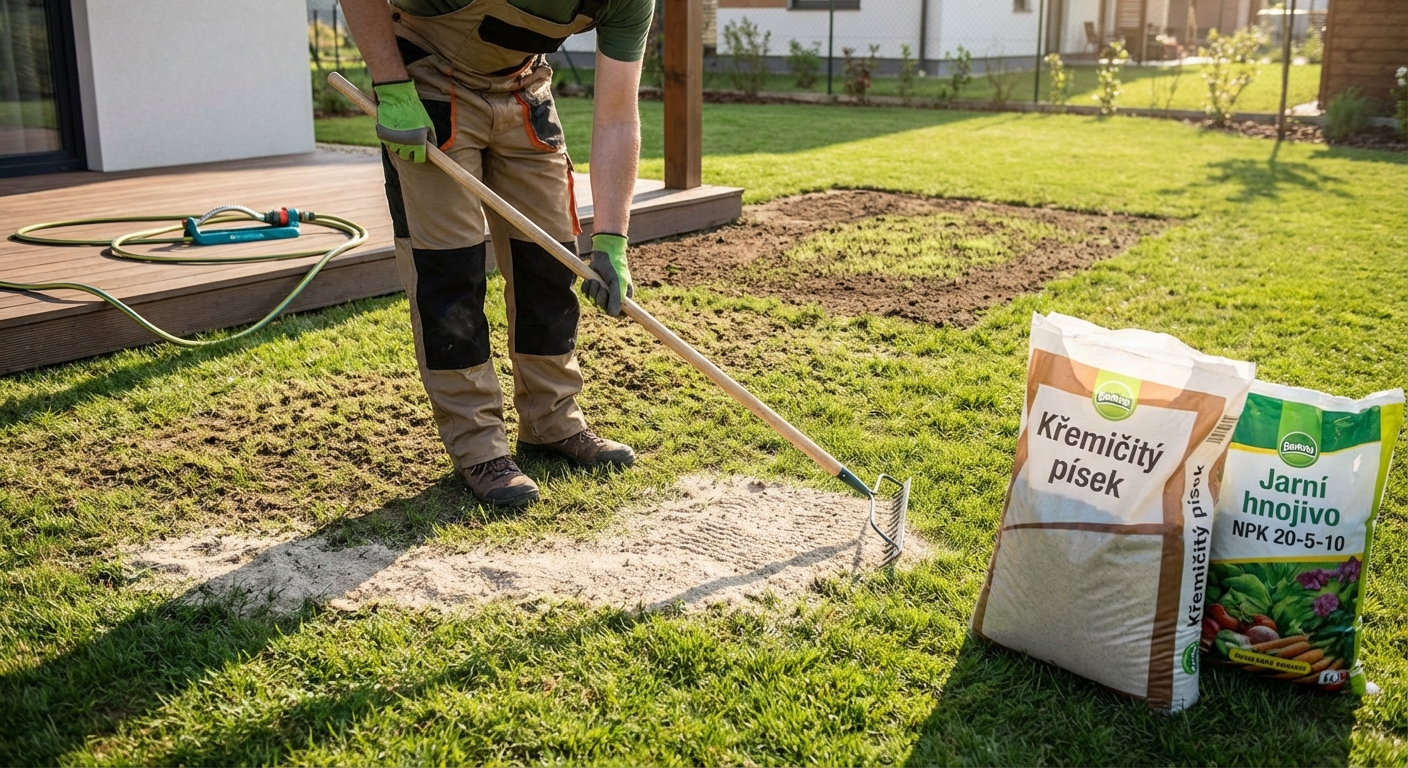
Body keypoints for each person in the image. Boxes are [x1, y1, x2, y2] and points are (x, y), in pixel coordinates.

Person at [341, 0, 652, 507]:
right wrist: (393, 87)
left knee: (550, 263)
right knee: (450, 270)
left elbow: (618, 115)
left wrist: (613, 238)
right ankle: (479, 447)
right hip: (427, 84)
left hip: (523, 89)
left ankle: (552, 421)